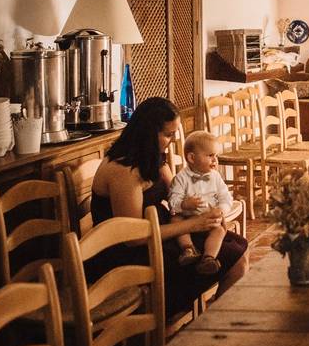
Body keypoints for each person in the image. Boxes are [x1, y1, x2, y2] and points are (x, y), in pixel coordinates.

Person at [90, 97, 248, 317]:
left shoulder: (149, 157)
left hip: (158, 234)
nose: (172, 141)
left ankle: (210, 324)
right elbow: (133, 238)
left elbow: (177, 192)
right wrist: (192, 225)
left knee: (237, 248)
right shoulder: (122, 171)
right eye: (168, 135)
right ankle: (207, 327)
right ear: (148, 133)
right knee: (233, 259)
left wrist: (208, 211)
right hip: (128, 254)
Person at [169, 130, 238, 275]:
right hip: (187, 219)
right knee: (175, 219)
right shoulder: (181, 178)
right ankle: (188, 249)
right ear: (192, 158)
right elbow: (173, 202)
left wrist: (221, 210)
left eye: (216, 156)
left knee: (219, 230)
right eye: (210, 156)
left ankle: (208, 258)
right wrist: (184, 204)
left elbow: (226, 198)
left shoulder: (216, 177)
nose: (215, 160)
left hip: (208, 219)